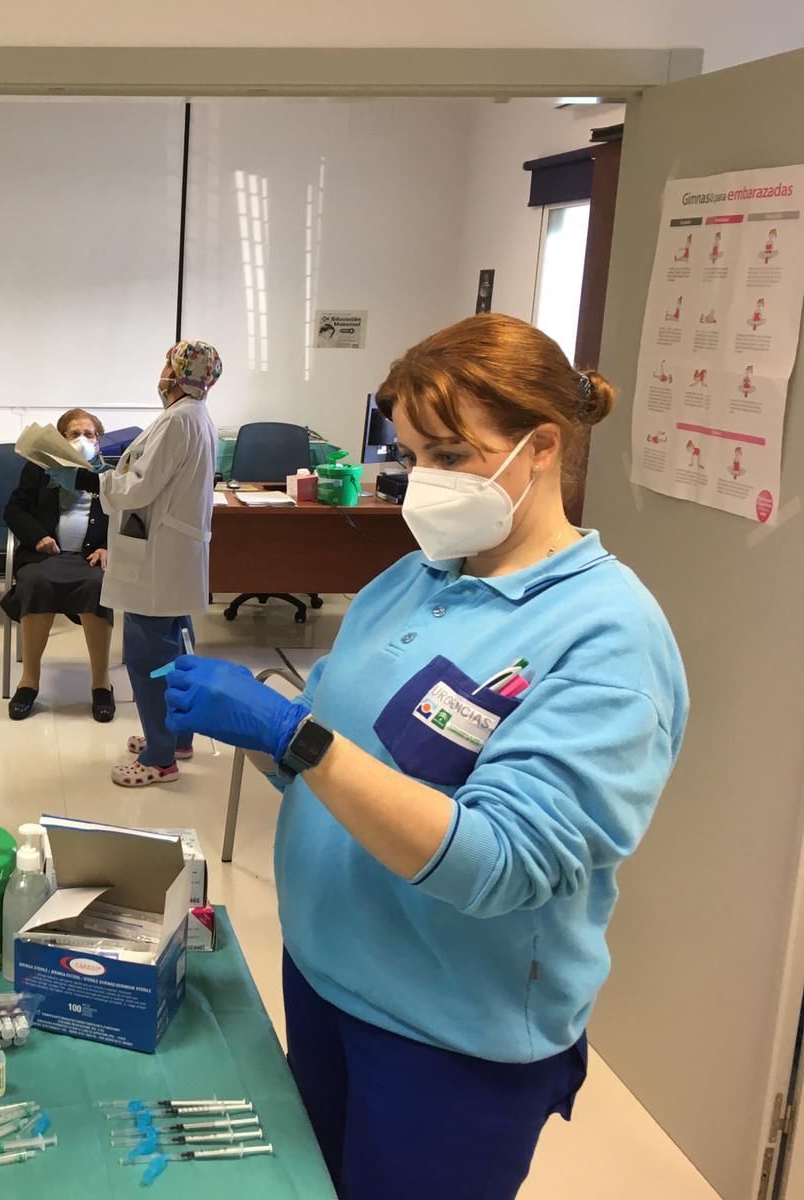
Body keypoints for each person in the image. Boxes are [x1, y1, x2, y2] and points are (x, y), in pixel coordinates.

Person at [164, 314, 688, 1200]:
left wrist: (295, 735)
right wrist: (266, 732)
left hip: (448, 1039)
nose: (423, 481)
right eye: (412, 454)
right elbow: (345, 758)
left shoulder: (606, 637)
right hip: (325, 979)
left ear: (541, 447)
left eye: (449, 455)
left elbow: (501, 862)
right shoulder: (415, 579)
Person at [53, 340, 220, 787]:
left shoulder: (179, 420)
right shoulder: (195, 416)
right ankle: (176, 738)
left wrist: (90, 479)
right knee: (173, 653)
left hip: (159, 559)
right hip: (172, 556)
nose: (161, 372)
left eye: (167, 364)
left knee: (149, 660)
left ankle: (160, 758)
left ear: (181, 373)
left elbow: (139, 488)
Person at [0, 407, 115, 723]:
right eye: (74, 434)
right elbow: (14, 510)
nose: (82, 440)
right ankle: (29, 681)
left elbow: (126, 518)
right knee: (36, 583)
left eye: (89, 434)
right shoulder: (40, 470)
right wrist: (38, 536)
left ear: (98, 441)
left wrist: (109, 547)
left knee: (97, 586)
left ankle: (101, 683)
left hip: (91, 559)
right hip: (45, 557)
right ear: (60, 440)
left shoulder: (111, 477)